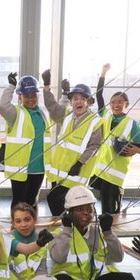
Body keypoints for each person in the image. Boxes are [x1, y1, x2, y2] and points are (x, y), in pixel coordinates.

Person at [45, 186, 134, 280]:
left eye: (89, 209)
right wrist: (67, 231)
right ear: (69, 213)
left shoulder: (100, 231)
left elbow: (118, 257)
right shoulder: (58, 234)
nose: (86, 213)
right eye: (80, 209)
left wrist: (108, 232)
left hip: (96, 279)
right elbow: (58, 258)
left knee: (128, 279)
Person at [91, 63, 140, 215]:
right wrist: (103, 72)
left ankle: (112, 232)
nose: (116, 105)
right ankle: (104, 231)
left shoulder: (131, 123)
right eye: (113, 102)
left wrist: (137, 149)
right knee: (103, 204)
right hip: (102, 170)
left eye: (120, 102)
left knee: (111, 207)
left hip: (116, 172)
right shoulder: (106, 115)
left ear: (126, 104)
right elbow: (98, 94)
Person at [44, 76, 104, 216]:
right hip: (59, 173)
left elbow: (94, 146)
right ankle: (65, 230)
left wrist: (80, 163)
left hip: (76, 174)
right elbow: (52, 107)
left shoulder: (95, 122)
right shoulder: (67, 116)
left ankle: (69, 229)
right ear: (71, 102)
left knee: (62, 202)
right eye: (75, 98)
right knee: (63, 205)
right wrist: (47, 88)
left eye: (83, 98)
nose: (79, 101)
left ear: (88, 102)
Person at [0, 73, 50, 208]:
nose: (31, 99)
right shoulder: (15, 113)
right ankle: (16, 228)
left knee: (32, 201)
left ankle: (30, 228)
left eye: (33, 95)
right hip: (20, 168)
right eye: (26, 96)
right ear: (20, 96)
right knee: (19, 201)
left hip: (39, 167)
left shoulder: (41, 114)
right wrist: (11, 86)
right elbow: (2, 106)